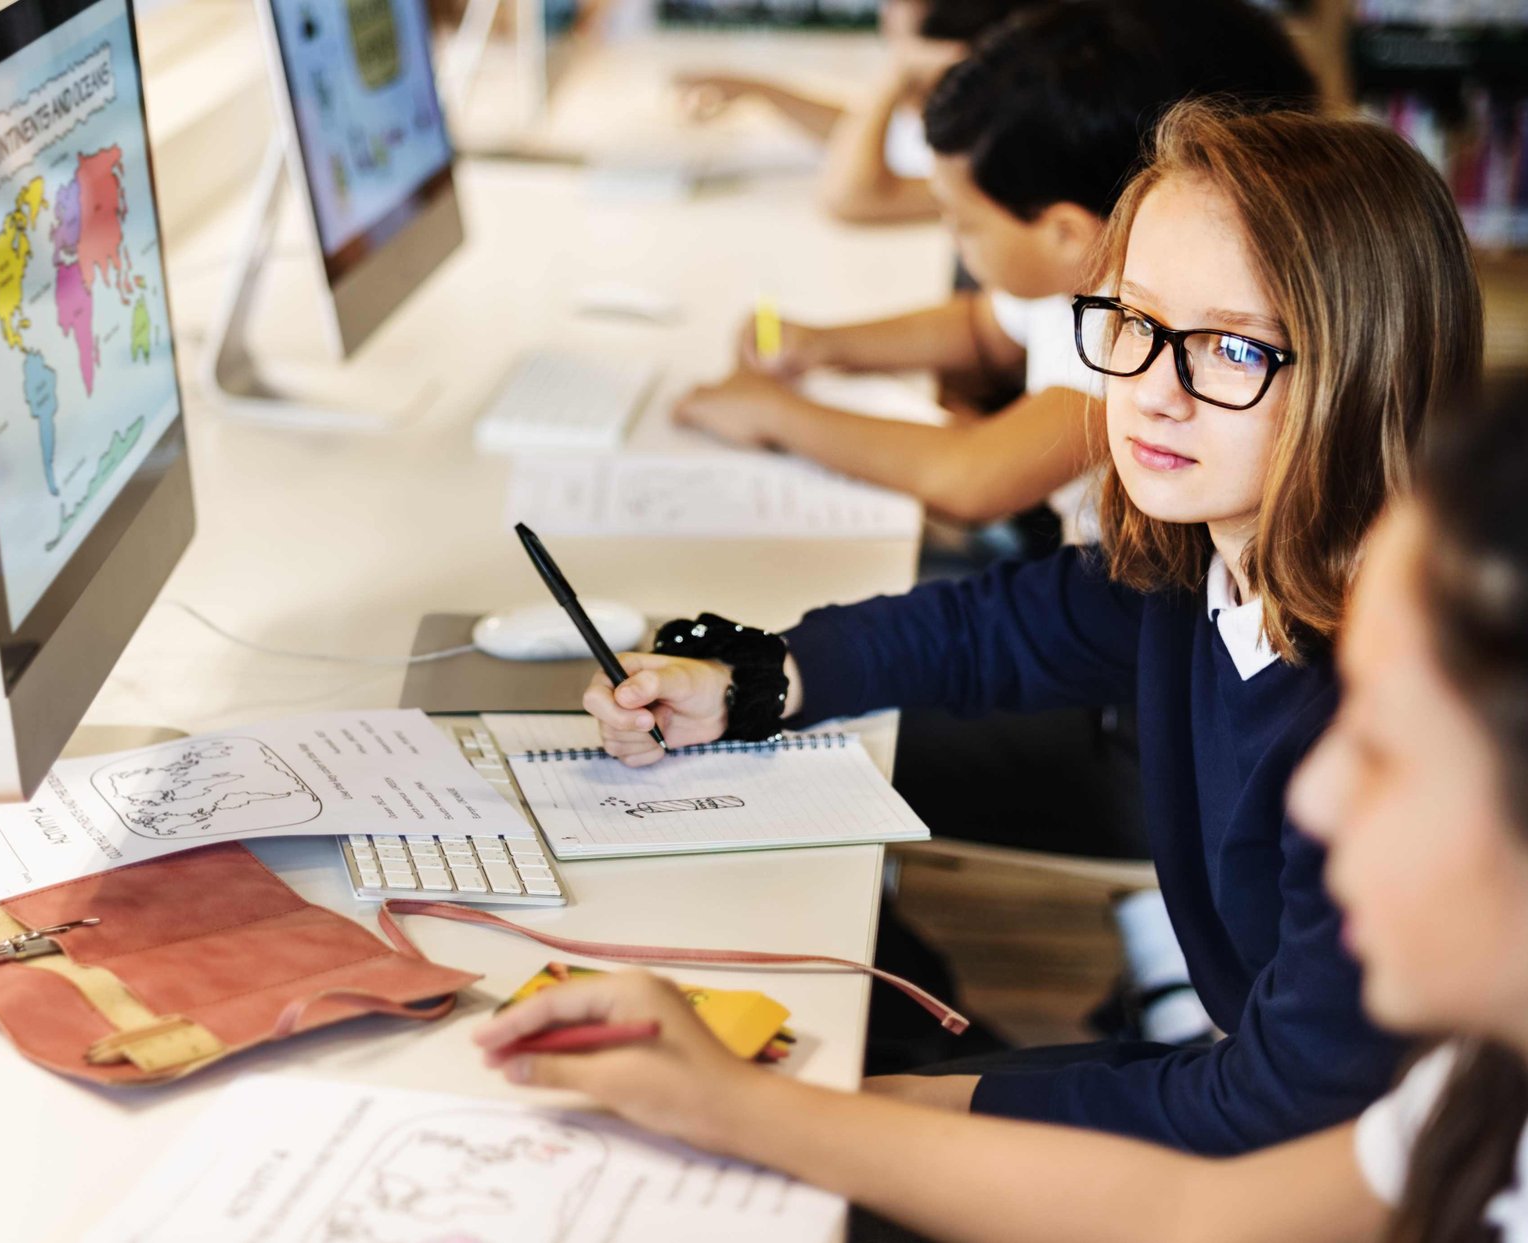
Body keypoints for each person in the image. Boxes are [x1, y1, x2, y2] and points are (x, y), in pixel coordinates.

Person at [550, 101, 1486, 1154]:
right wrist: (754, 680)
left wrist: (857, 1115)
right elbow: (986, 630)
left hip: (1324, 1172)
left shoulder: (1391, 721)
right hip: (1243, 1100)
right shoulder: (1203, 570)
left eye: (1230, 348)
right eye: (1132, 323)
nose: (1149, 392)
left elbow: (1279, 1115)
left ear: (1367, 371)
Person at [474, 379, 1528, 1243]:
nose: (1315, 789)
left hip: (1235, 1107)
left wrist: (816, 1113)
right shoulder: (1477, 1091)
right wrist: (756, 1108)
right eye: (1127, 323)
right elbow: (1197, 1213)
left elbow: (1242, 1142)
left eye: (1384, 745)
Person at [673, 0, 1316, 539]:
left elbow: (970, 480)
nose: (955, 240)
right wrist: (823, 344)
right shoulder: (1086, 256)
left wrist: (775, 414)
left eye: (965, 226)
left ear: (1066, 233)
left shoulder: (1136, 333)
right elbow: (983, 329)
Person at [675, 0, 1031, 225]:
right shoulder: (946, 97)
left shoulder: (984, 132)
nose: (884, 10)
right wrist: (757, 90)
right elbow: (864, 135)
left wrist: (897, 71)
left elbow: (848, 196)